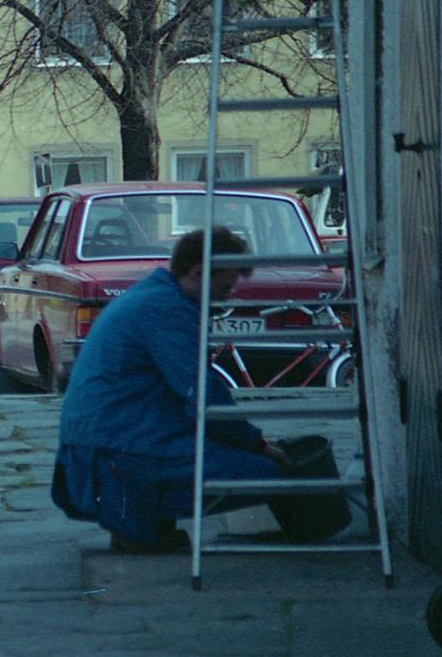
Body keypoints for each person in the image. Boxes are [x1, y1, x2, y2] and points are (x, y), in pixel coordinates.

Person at [52, 226, 350, 553]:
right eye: (224, 287)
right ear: (198, 273)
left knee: (226, 454)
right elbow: (203, 394)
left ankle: (142, 523)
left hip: (102, 446)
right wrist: (257, 445)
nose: (228, 296)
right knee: (268, 473)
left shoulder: (152, 296)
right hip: (116, 454)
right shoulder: (166, 310)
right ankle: (138, 523)